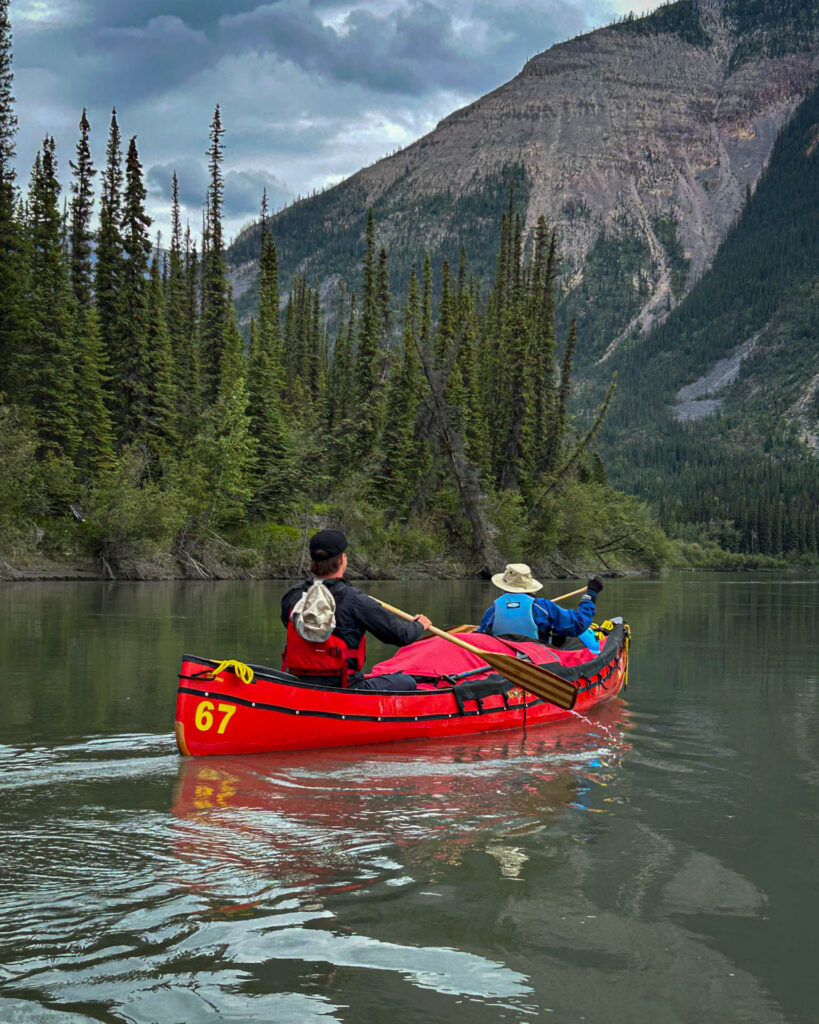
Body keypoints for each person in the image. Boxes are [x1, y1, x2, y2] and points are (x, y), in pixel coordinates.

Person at [281, 529, 431, 691]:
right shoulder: (355, 600)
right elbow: (400, 635)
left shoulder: (293, 596)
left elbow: (291, 625)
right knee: (406, 681)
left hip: (299, 683)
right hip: (345, 687)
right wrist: (419, 625)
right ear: (342, 559)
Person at [477, 563, 603, 648]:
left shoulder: (492, 611)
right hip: (537, 660)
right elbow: (579, 624)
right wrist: (590, 596)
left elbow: (482, 636)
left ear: (503, 587)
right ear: (530, 587)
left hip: (503, 659)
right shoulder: (543, 607)